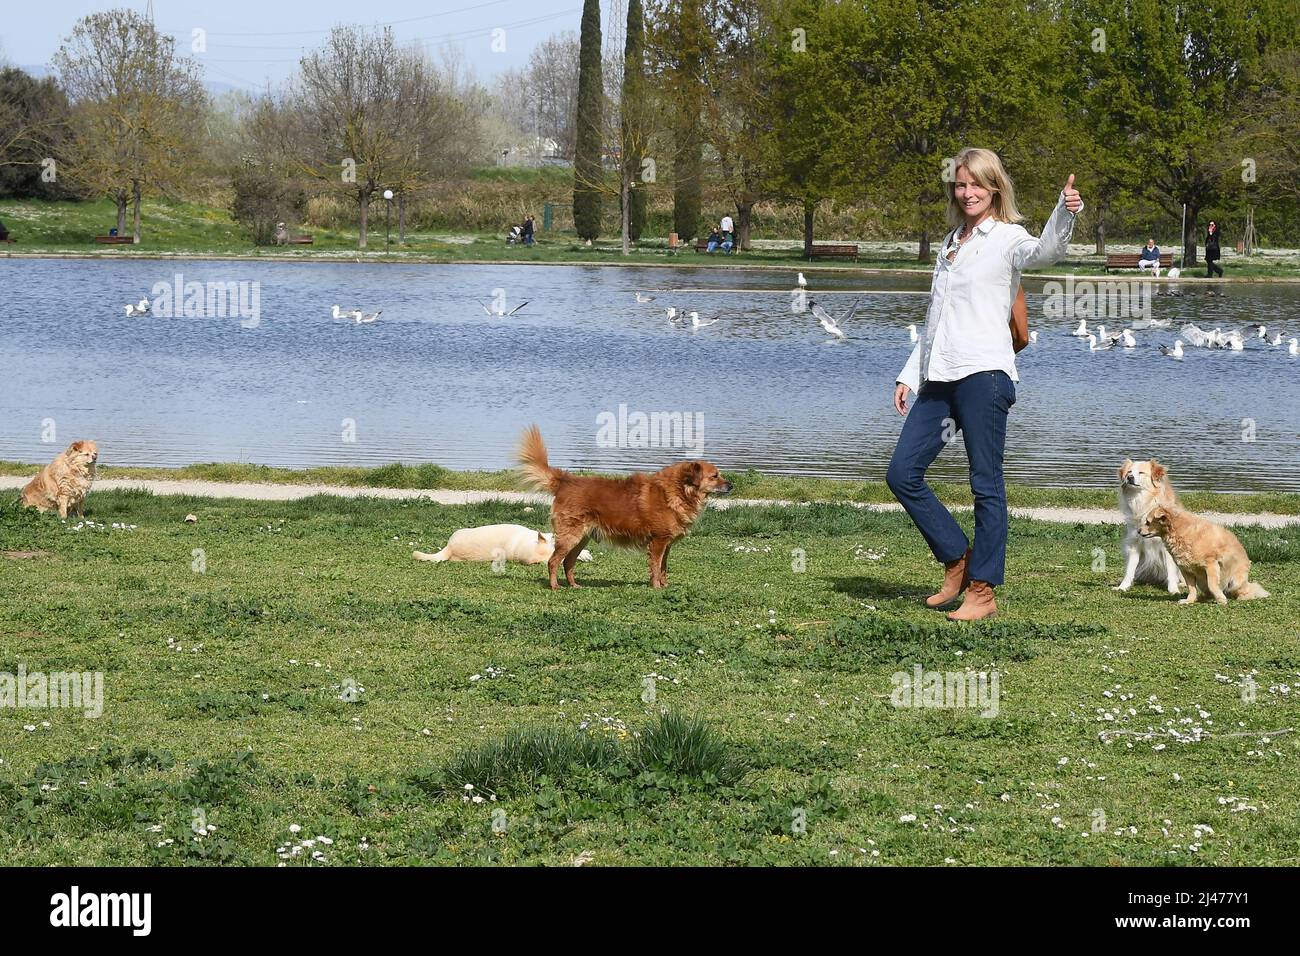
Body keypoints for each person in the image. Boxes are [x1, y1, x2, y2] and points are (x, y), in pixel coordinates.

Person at [887, 147, 1083, 622]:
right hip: (939, 377)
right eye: (960, 184)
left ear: (994, 188)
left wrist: (1065, 211)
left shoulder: (1008, 238)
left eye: (976, 184)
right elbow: (937, 316)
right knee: (902, 473)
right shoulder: (951, 241)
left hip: (985, 376)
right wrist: (909, 374)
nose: (967, 192)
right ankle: (957, 558)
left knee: (985, 485)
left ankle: (983, 590)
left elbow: (1046, 252)